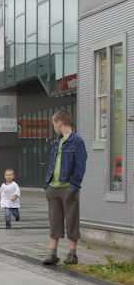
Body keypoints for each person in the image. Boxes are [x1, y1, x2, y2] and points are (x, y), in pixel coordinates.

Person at [42, 110, 87, 266]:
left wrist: (74, 185)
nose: (54, 127)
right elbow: (52, 163)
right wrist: (47, 185)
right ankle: (53, 253)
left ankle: (72, 253)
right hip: (53, 187)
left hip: (68, 187)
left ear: (59, 123)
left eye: (54, 124)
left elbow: (81, 165)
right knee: (54, 219)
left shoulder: (77, 141)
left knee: (72, 219)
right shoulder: (57, 141)